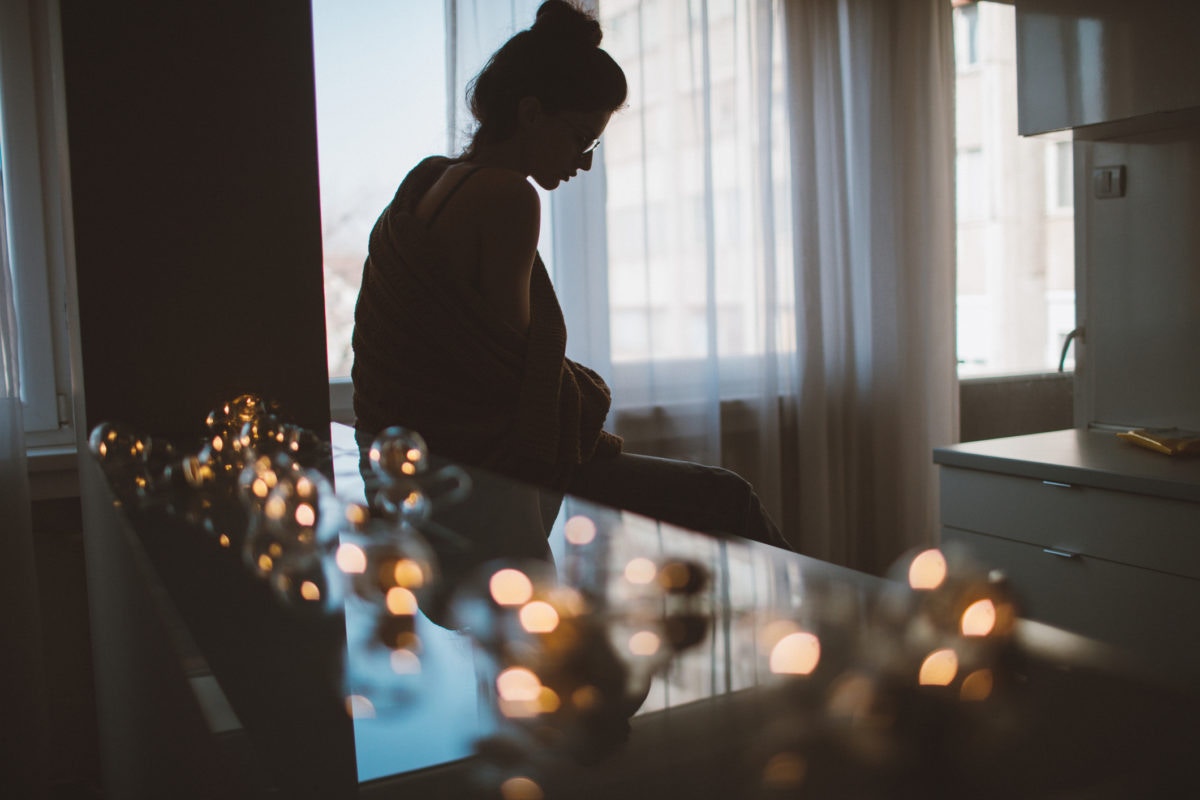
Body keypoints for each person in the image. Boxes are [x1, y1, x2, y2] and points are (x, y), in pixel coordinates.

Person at [352, 0, 790, 551]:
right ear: (532, 113)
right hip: (478, 474)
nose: (584, 162)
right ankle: (829, 630)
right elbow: (518, 380)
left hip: (407, 466)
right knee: (728, 497)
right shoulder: (508, 195)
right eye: (581, 138)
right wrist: (582, 411)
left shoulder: (432, 184)